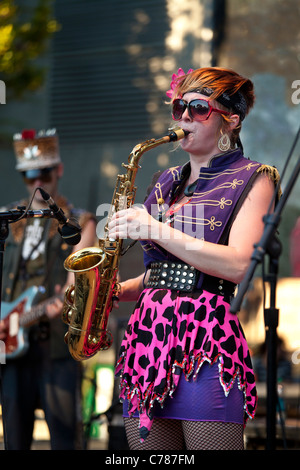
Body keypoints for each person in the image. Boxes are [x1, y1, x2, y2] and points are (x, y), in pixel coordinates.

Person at [108, 67, 280, 450]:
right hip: (146, 341)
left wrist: (154, 229)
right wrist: (112, 292)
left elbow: (238, 265)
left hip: (205, 342)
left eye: (198, 108)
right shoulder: (164, 181)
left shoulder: (255, 177)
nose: (184, 116)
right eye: (179, 106)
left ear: (231, 120)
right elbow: (164, 273)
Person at [0, 129, 96, 450]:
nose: (37, 181)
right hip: (10, 345)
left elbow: (75, 287)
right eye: (29, 175)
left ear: (59, 170)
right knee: (14, 439)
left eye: (44, 172)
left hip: (56, 346)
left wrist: (63, 301)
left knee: (65, 439)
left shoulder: (79, 221)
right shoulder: (7, 219)